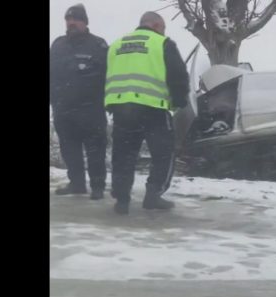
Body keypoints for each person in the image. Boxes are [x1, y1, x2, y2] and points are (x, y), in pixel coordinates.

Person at [105, 12, 189, 215]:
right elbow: (178, 75)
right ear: (157, 25)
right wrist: (179, 102)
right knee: (164, 153)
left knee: (123, 155)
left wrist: (110, 104)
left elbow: (104, 73)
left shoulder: (116, 44)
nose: (163, 31)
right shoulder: (162, 43)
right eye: (163, 28)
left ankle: (122, 200)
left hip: (122, 109)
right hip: (154, 109)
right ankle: (153, 195)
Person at [50, 4, 108, 200]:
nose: (71, 22)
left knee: (95, 150)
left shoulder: (99, 45)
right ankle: (77, 184)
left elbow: (108, 75)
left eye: (76, 19)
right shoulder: (58, 45)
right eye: (68, 19)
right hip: (63, 109)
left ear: (85, 22)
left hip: (91, 109)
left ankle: (98, 186)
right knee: (70, 150)